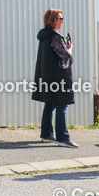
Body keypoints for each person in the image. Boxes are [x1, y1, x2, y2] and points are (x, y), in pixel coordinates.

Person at [32, 8, 77, 147]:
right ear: (54, 21)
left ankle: (46, 134)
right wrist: (70, 49)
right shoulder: (55, 37)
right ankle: (62, 138)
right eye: (60, 18)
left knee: (49, 104)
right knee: (61, 106)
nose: (63, 21)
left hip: (47, 77)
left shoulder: (44, 36)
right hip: (59, 79)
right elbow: (66, 59)